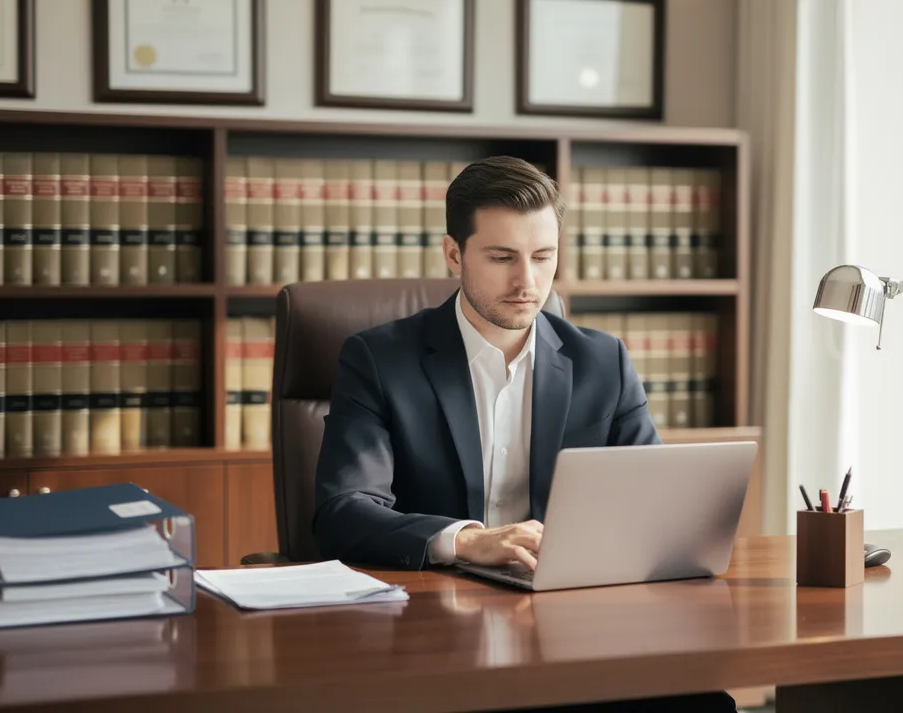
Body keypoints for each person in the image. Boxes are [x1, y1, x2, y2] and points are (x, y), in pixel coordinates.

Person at [312, 156, 738, 711]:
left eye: (543, 257)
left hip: (570, 627)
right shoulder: (378, 359)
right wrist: (465, 540)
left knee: (704, 702)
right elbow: (343, 510)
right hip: (434, 631)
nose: (527, 282)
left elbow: (650, 512)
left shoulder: (601, 361)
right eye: (502, 258)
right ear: (453, 254)